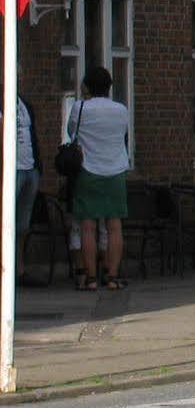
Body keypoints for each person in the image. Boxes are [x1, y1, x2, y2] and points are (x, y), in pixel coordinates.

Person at [68, 67, 132, 292]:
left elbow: (71, 132)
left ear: (87, 86)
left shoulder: (80, 107)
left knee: (88, 226)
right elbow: (123, 134)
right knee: (114, 226)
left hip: (89, 170)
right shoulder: (121, 110)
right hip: (115, 171)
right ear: (109, 87)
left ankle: (91, 278)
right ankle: (112, 277)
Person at [11, 92, 38, 276]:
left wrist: (38, 166)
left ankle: (19, 266)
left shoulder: (24, 104)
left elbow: (32, 135)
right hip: (12, 169)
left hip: (29, 168)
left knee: (22, 223)